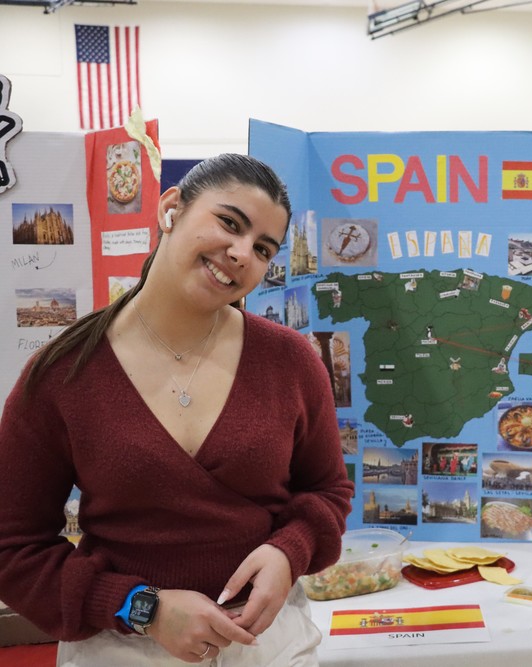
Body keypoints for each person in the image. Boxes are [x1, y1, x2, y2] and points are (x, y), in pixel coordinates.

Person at [0, 154, 354, 665]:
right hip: (120, 647)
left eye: (261, 248)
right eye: (229, 223)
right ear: (172, 208)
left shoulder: (290, 360)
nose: (239, 253)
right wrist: (141, 608)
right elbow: (13, 546)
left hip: (267, 643)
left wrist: (288, 551)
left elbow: (327, 490)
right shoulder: (62, 373)